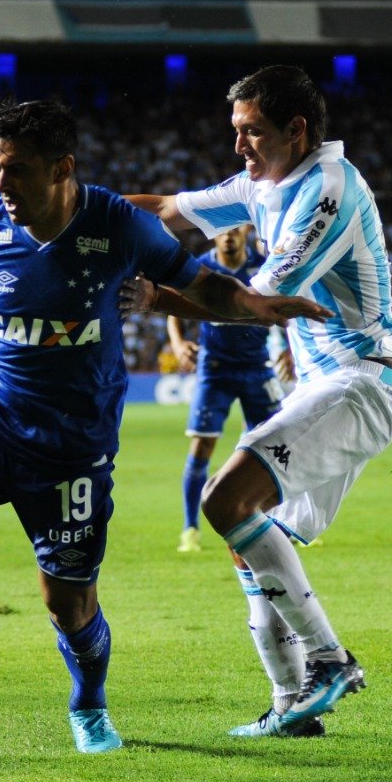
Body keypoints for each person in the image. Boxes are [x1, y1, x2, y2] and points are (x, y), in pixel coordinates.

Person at [0, 99, 327, 753]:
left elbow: (203, 286)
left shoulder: (119, 228)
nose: (1, 186)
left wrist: (257, 307)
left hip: (72, 450)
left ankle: (89, 708)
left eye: (16, 171)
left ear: (62, 168)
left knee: (67, 604)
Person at [124, 64, 392, 739]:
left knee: (226, 501)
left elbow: (252, 304)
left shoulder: (327, 192)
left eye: (251, 132)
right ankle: (290, 708)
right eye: (236, 132)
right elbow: (167, 209)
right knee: (249, 538)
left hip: (359, 382)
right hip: (325, 386)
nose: (239, 147)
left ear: (296, 129)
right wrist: (76, 206)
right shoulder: (263, 186)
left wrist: (160, 298)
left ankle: (331, 662)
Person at [166, 224, 285, 553]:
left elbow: (288, 303)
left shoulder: (265, 265)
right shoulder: (201, 267)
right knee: (202, 447)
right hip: (214, 369)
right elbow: (173, 307)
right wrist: (177, 344)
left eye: (235, 230)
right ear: (213, 235)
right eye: (222, 231)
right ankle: (190, 529)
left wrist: (291, 348)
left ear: (247, 230)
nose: (228, 236)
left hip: (257, 367)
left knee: (275, 449)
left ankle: (283, 523)